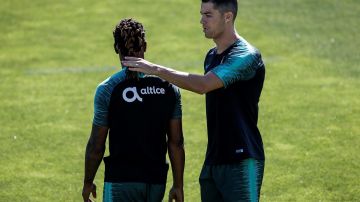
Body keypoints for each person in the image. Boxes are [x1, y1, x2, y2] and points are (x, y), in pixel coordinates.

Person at [122, 0, 266, 201]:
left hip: (242, 159)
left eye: (208, 15)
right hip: (213, 160)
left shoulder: (246, 56)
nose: (201, 20)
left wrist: (154, 69)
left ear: (228, 17)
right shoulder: (211, 56)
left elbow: (203, 85)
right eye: (201, 14)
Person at [82, 18, 185, 202]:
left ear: (116, 48)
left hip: (121, 181)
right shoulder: (169, 88)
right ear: (145, 45)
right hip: (156, 183)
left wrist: (88, 182)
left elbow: (96, 146)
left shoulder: (108, 88)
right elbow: (176, 143)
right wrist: (178, 185)